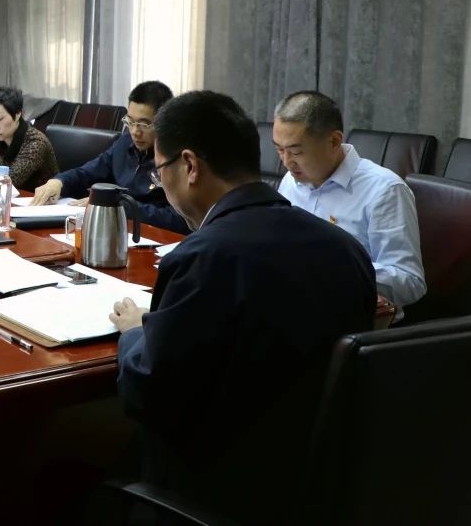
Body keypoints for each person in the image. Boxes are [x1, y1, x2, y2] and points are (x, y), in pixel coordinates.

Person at [109, 91, 376, 522]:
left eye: (160, 173)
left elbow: (148, 390)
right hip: (313, 489)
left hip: (215, 489)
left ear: (189, 166)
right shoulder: (346, 249)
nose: (162, 185)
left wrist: (138, 333)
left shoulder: (203, 256)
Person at [273, 90, 426, 312]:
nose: (286, 162)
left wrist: (337, 267)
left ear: (334, 141)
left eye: (296, 152)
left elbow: (411, 283)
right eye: (279, 150)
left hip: (356, 318)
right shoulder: (291, 180)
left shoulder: (384, 190)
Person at [29, 81, 185, 232]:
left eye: (144, 124)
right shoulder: (125, 143)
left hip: (157, 236)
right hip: (118, 229)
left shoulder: (178, 160)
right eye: (130, 122)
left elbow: (180, 220)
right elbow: (87, 173)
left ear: (164, 122)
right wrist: (59, 182)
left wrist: (122, 206)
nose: (135, 132)